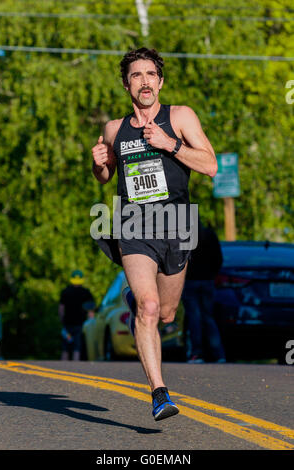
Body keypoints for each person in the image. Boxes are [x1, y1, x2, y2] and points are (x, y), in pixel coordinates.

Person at [91, 48, 217, 420]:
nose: (144, 81)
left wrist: (169, 144)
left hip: (176, 225)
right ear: (126, 84)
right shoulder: (115, 129)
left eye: (150, 74)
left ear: (160, 82)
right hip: (134, 226)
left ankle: (140, 302)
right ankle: (159, 393)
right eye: (136, 75)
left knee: (165, 313)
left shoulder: (180, 118)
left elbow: (209, 165)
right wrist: (98, 165)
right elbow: (105, 176)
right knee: (147, 308)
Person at [182, 221, 226, 364]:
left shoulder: (185, 235)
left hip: (190, 281)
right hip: (207, 281)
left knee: (194, 317)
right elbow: (219, 259)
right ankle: (218, 354)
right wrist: (212, 275)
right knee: (208, 317)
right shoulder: (209, 234)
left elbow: (179, 259)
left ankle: (197, 353)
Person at [58, 270, 95, 361]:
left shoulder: (65, 292)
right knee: (77, 348)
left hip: (67, 324)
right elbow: (91, 311)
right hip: (80, 325)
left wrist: (62, 320)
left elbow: (61, 309)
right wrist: (91, 323)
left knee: (65, 348)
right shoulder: (86, 292)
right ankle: (75, 368)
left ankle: (62, 368)